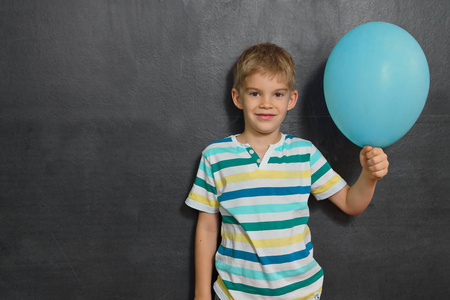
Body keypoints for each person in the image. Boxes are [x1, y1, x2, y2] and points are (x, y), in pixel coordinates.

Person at [185, 43, 389, 300]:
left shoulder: (304, 154)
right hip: (235, 294)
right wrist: (201, 294)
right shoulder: (215, 156)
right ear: (238, 97)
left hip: (299, 293)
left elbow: (351, 203)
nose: (266, 104)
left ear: (291, 99)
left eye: (278, 94)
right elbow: (206, 228)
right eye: (255, 93)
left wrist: (369, 176)